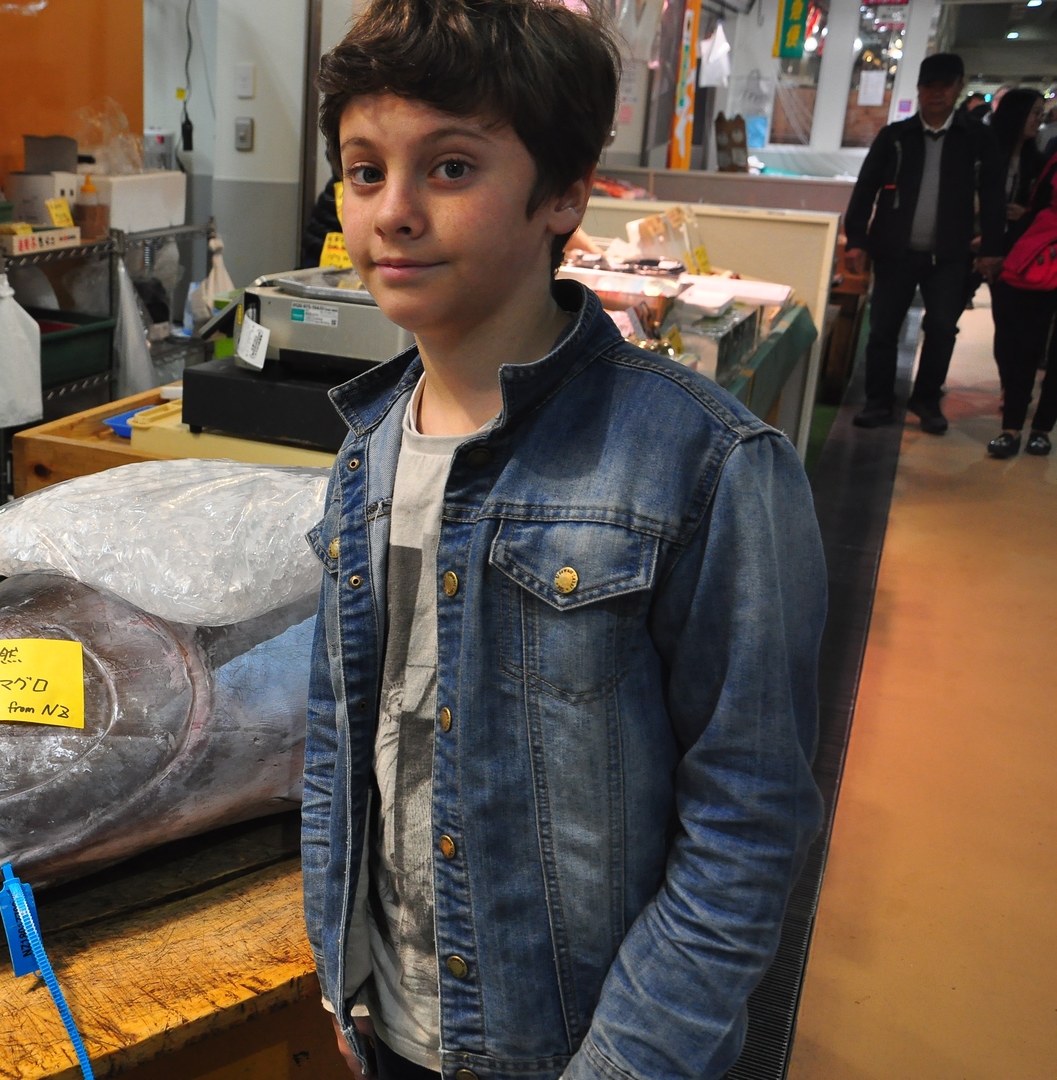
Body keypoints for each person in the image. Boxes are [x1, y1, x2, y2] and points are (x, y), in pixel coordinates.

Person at [301, 2, 827, 1078]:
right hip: (393, 1024)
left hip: (585, 1048)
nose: (391, 213)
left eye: (451, 167)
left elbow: (748, 825)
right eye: (364, 171)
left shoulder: (706, 463)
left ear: (565, 195)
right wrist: (339, 966)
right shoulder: (366, 448)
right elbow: (340, 738)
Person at [844, 53, 1006, 433]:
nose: (937, 93)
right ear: (918, 89)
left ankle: (927, 400)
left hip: (949, 255)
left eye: (945, 85)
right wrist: (857, 239)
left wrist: (991, 248)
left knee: (943, 329)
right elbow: (865, 189)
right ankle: (878, 402)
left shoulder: (977, 138)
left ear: (958, 88)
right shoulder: (895, 137)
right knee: (883, 330)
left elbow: (993, 195)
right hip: (893, 252)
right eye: (930, 85)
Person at [987, 89, 1057, 458]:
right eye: (1035, 113)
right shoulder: (1051, 156)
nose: (1040, 120)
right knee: (1024, 345)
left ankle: (1042, 428)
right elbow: (1038, 205)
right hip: (1039, 261)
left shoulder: (1041, 153)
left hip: (1037, 256)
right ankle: (1011, 427)